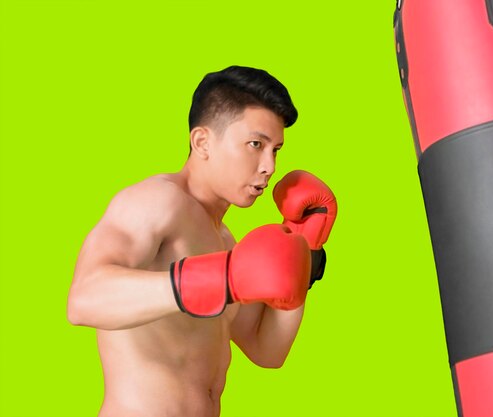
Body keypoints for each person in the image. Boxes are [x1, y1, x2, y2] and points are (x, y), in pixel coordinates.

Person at [67, 65, 337, 417]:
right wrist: (214, 279)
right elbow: (84, 300)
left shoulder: (225, 241)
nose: (269, 166)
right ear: (202, 142)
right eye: (256, 144)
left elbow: (267, 350)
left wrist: (307, 250)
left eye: (276, 150)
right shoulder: (157, 202)